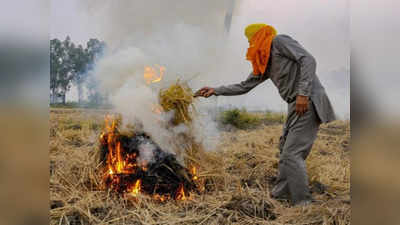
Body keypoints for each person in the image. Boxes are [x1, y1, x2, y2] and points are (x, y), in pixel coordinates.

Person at [195, 23, 336, 206]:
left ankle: (303, 203)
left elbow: (308, 60)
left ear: (259, 36)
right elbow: (244, 86)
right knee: (284, 148)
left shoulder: (279, 41)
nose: (250, 45)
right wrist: (215, 90)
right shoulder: (264, 60)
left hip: (307, 101)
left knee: (292, 154)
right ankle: (281, 194)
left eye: (251, 39)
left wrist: (303, 93)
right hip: (295, 104)